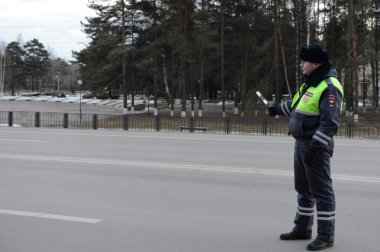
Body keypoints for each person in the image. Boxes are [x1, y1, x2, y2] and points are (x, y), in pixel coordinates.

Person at [267, 44, 344, 251]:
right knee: (303, 189)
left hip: (316, 146)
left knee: (322, 192)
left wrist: (315, 147)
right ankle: (302, 228)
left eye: (304, 61)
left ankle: (326, 236)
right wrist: (276, 109)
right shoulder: (310, 82)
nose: (301, 65)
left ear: (316, 63)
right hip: (301, 144)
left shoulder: (329, 86)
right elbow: (296, 104)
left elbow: (330, 123)